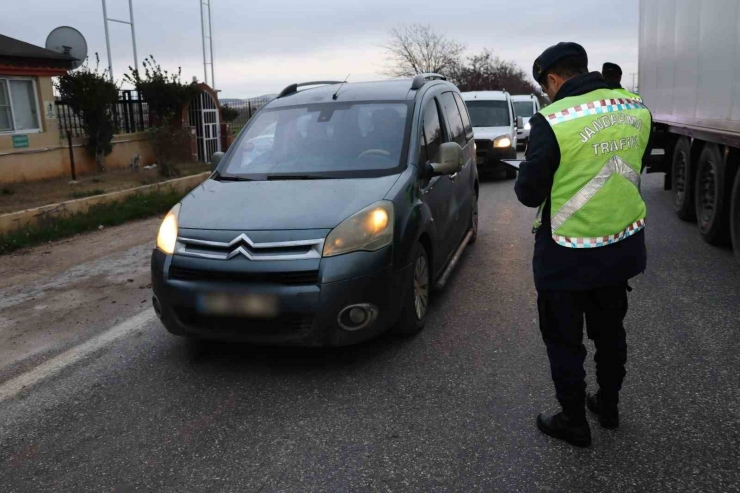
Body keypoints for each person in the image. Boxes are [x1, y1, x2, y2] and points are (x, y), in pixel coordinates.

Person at [515, 42, 652, 447]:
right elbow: (636, 162)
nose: (546, 94)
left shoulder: (553, 120)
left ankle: (574, 420)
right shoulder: (635, 106)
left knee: (564, 340)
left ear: (554, 79)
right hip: (620, 245)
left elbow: (528, 193)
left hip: (566, 255)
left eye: (545, 87)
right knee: (610, 333)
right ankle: (607, 405)